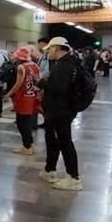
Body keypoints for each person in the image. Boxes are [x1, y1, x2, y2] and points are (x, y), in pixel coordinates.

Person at [38, 37, 84, 191]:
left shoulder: (65, 65)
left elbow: (58, 89)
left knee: (64, 142)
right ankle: (50, 170)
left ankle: (73, 177)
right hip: (58, 110)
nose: (48, 52)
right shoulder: (68, 63)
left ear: (57, 48)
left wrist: (43, 83)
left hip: (61, 110)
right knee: (52, 139)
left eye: (49, 49)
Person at [5, 47, 41, 155]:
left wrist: (8, 94)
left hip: (23, 98)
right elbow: (39, 81)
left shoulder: (21, 67)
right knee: (28, 122)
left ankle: (27, 147)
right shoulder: (35, 65)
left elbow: (18, 84)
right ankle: (30, 144)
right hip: (32, 97)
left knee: (22, 123)